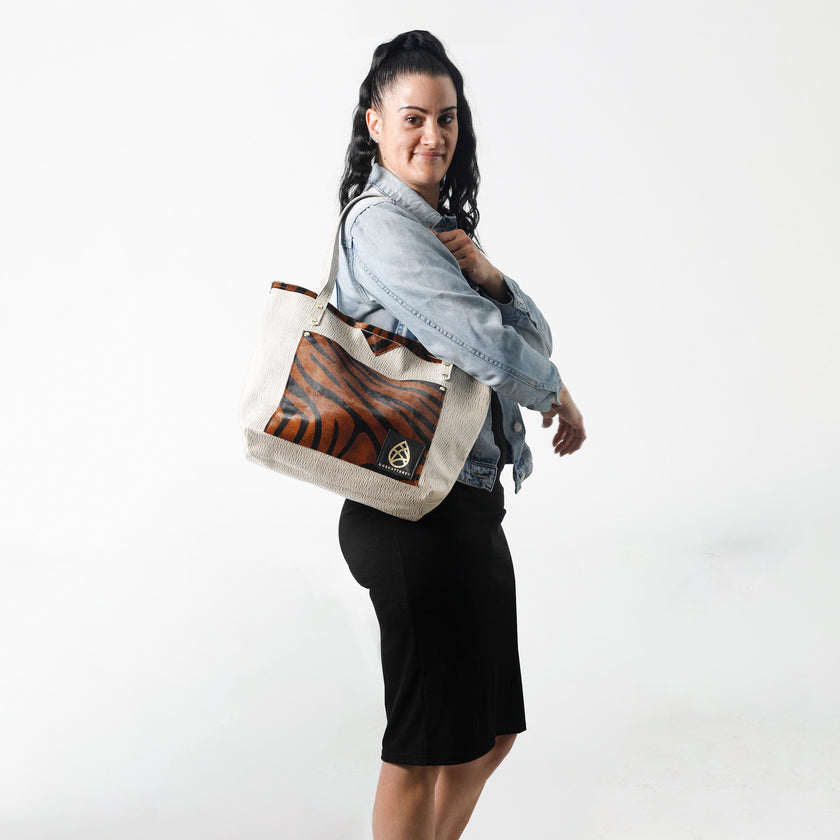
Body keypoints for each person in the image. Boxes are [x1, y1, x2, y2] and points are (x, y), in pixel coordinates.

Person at [335, 30, 586, 840]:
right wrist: (557, 393)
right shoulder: (381, 225)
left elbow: (525, 334)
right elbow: (484, 348)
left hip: (463, 503)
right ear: (375, 123)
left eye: (446, 118)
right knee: (421, 750)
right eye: (413, 118)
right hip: (407, 509)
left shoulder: (438, 234)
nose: (433, 135)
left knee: (492, 733)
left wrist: (490, 276)